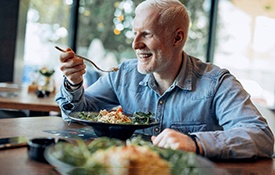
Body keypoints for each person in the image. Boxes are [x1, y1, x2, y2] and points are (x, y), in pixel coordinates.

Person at [55, 0, 274, 159]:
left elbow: (261, 137)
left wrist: (195, 143)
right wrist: (73, 83)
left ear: (178, 38)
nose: (135, 44)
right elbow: (76, 112)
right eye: (135, 34)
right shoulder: (123, 74)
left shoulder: (217, 83)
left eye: (147, 34)